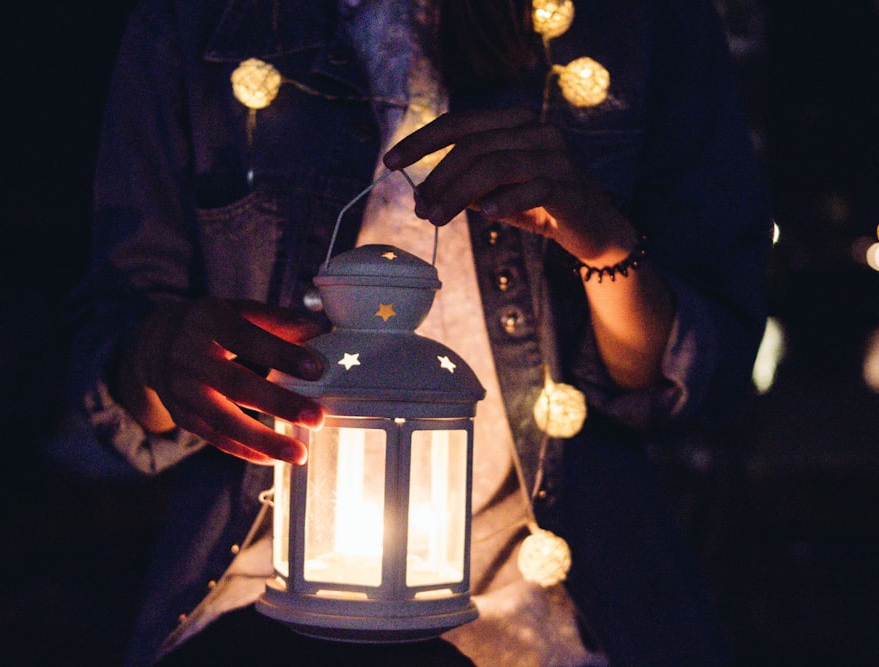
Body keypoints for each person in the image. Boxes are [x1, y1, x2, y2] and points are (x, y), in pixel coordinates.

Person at [65, 0, 770, 664]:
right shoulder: (197, 20)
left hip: (560, 595)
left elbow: (694, 378)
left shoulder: (636, 21)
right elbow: (114, 367)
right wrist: (161, 357)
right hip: (260, 587)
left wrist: (607, 244)